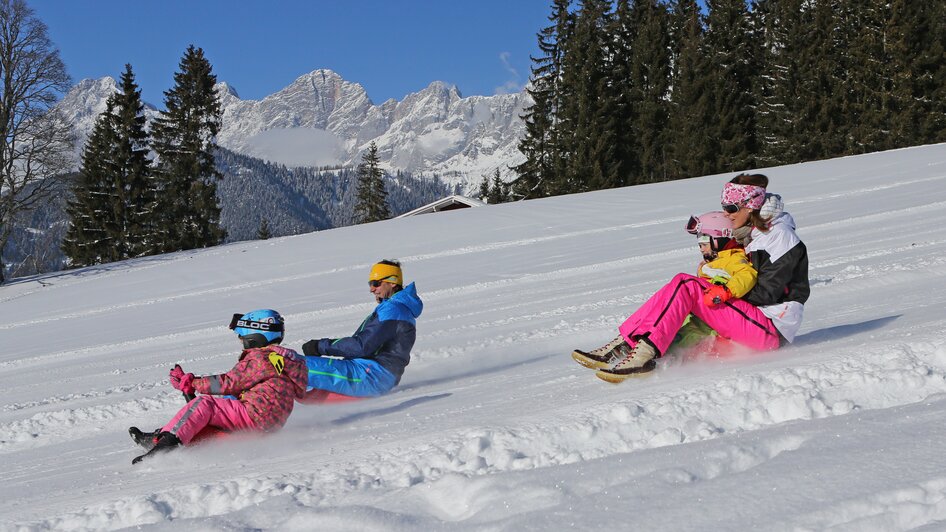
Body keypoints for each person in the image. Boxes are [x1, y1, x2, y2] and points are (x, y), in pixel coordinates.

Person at [574, 173, 809, 383]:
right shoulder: (754, 235)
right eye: (725, 208)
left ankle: (641, 350)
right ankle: (630, 345)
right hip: (754, 321)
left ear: (750, 206)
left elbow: (768, 293)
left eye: (731, 208)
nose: (727, 214)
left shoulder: (779, 236)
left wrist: (719, 291)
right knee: (683, 293)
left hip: (770, 327)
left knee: (686, 285)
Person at [573, 210, 758, 370]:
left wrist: (726, 290)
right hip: (698, 323)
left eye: (703, 239)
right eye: (698, 241)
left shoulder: (734, 258)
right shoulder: (712, 263)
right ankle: (626, 345)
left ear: (720, 237)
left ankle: (641, 354)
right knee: (666, 300)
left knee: (681, 287)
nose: (700, 246)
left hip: (713, 327)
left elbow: (747, 275)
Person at [128, 309, 308, 464]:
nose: (240, 340)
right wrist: (188, 390)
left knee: (206, 404)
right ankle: (158, 440)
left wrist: (193, 382)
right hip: (270, 424)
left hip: (254, 415)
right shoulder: (288, 361)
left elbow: (228, 383)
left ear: (255, 336)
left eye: (242, 336)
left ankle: (164, 446)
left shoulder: (261, 358)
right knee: (207, 420)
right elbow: (299, 392)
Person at [301, 259, 423, 398]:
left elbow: (362, 346)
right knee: (296, 369)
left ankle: (272, 414)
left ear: (392, 282)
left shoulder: (393, 310)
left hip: (371, 374)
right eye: (370, 284)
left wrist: (319, 346)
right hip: (373, 373)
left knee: (293, 366)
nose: (372, 289)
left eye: (376, 283)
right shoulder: (396, 308)